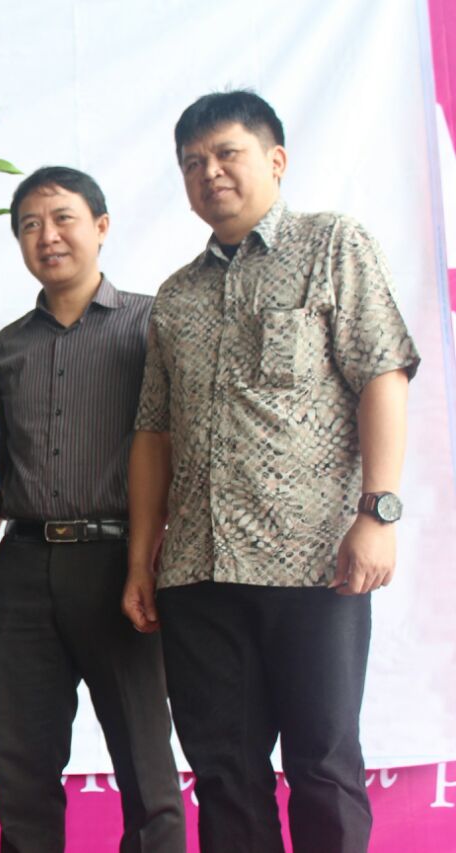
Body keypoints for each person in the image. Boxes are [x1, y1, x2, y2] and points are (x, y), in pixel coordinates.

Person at [122, 91, 420, 853]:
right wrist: (141, 561)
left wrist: (378, 512)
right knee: (224, 773)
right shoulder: (177, 296)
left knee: (322, 763)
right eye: (193, 162)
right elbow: (153, 432)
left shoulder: (332, 245)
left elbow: (382, 373)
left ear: (275, 159)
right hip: (196, 571)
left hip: (313, 561)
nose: (209, 172)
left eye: (227, 153)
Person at [0, 166, 185, 852]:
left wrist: (152, 555)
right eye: (30, 226)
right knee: (24, 770)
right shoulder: (6, 347)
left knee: (146, 765)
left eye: (63, 218)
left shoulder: (152, 323)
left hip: (122, 561)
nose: (48, 236)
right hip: (23, 565)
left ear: (101, 225)